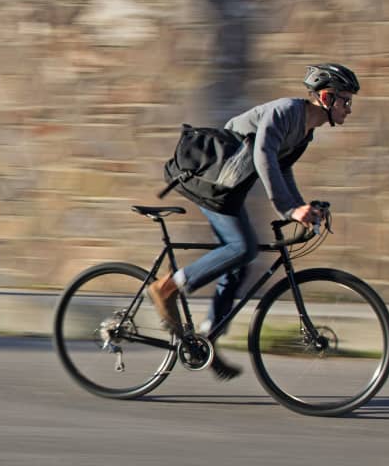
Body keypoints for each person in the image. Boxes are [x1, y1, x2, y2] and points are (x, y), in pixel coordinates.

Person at [148, 63, 360, 379]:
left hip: (231, 188)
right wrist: (289, 209)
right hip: (213, 182)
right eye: (346, 100)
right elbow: (263, 157)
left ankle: (206, 338)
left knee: (240, 262)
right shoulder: (286, 112)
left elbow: (282, 168)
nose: (349, 109)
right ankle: (167, 287)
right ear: (327, 98)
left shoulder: (305, 132)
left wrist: (300, 207)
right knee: (243, 248)